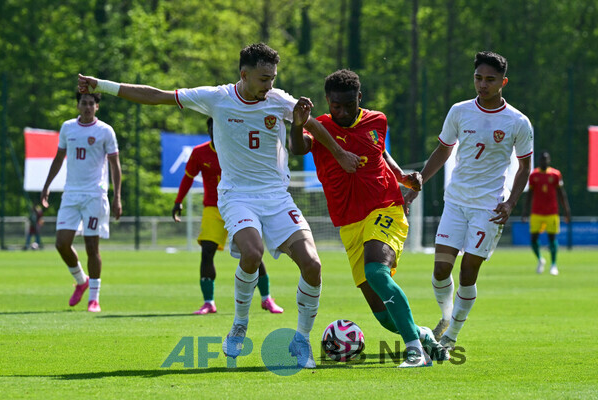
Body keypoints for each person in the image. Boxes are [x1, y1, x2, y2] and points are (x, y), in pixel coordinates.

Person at [78, 43, 360, 368]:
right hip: (237, 195)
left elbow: (314, 128)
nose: (269, 85)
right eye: (264, 79)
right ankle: (240, 324)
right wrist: (104, 86)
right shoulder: (217, 98)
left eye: (273, 78)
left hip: (277, 196)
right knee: (252, 254)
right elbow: (157, 95)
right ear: (244, 74)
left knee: (313, 264)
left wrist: (338, 152)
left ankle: (300, 341)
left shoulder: (279, 100)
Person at [289, 69, 447, 368]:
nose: (343, 112)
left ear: (359, 97)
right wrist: (297, 126)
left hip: (385, 207)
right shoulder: (320, 126)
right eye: (336, 106)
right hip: (349, 224)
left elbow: (381, 153)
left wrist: (400, 177)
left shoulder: (377, 120)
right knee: (385, 317)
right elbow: (298, 149)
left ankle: (415, 352)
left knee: (377, 272)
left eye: (349, 104)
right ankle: (423, 335)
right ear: (328, 102)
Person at [404, 51, 533, 351]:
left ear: (504, 81)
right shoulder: (459, 111)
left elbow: (524, 166)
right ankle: (446, 317)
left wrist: (511, 202)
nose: (482, 85)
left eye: (490, 80)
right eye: (478, 78)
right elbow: (443, 150)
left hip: (488, 208)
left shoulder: (518, 121)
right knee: (439, 271)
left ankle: (451, 337)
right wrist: (419, 183)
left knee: (467, 272)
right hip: (456, 202)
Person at [172, 117, 284, 314]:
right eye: (212, 128)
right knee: (206, 252)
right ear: (208, 131)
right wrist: (178, 201)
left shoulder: (239, 150)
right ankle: (208, 302)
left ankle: (266, 298)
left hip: (240, 207)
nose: (216, 131)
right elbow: (188, 177)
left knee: (253, 252)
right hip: (213, 210)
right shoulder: (199, 153)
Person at [41, 92, 122, 313]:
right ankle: (81, 280)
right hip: (71, 194)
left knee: (91, 246)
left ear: (97, 107)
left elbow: (115, 165)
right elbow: (59, 158)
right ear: (78, 105)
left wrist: (117, 197)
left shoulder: (105, 131)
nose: (87, 107)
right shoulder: (68, 127)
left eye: (91, 103)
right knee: (61, 243)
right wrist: (47, 185)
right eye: (83, 103)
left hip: (94, 195)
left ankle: (94, 299)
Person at [521, 151, 571, 275]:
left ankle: (554, 265)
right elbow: (529, 195)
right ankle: (540, 259)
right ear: (539, 161)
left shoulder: (555, 174)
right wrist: (525, 211)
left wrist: (567, 211)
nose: (544, 161)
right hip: (536, 212)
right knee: (533, 239)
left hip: (552, 212)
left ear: (549, 160)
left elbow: (561, 194)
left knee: (552, 238)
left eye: (546, 159)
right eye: (542, 159)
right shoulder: (534, 175)